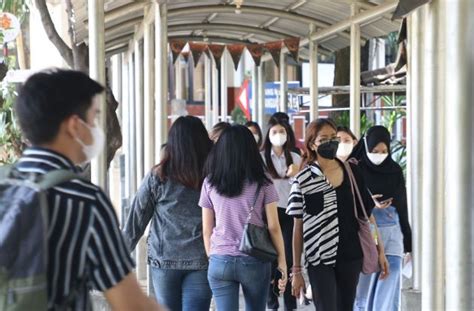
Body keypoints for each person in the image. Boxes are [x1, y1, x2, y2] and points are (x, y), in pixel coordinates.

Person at [12, 69, 161, 310]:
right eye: (93, 118)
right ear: (74, 125)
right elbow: (132, 304)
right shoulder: (84, 200)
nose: (95, 128)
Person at [123, 116, 213, 311]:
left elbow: (137, 217)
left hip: (164, 261)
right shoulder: (212, 177)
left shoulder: (159, 176)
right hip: (202, 259)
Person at [288, 118, 375, 311]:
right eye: (324, 138)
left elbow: (365, 215)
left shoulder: (352, 172)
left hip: (350, 255)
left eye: (334, 138)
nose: (331, 143)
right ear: (312, 144)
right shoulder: (303, 180)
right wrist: (296, 270)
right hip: (319, 258)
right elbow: (298, 226)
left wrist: (380, 250)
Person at [200, 125, 287, 310]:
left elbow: (207, 230)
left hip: (220, 260)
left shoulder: (210, 182)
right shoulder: (264, 182)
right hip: (253, 259)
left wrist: (214, 258)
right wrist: (282, 263)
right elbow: (273, 227)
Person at [350, 126, 412, 311]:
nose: (380, 155)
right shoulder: (356, 171)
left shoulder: (394, 171)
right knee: (364, 294)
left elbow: (403, 208)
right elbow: (350, 204)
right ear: (366, 148)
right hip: (366, 235)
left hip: (392, 233)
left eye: (384, 151)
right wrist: (370, 203)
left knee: (389, 290)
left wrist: (409, 246)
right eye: (375, 151)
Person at [262, 118, 301, 311]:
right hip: (268, 212)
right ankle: (272, 303)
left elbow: (306, 183)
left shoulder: (295, 157)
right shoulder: (261, 157)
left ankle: (290, 304)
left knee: (288, 257)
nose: (279, 135)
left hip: (290, 211)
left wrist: (299, 171)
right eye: (274, 132)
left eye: (282, 131)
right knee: (269, 257)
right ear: (268, 135)